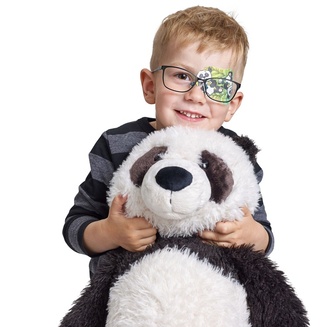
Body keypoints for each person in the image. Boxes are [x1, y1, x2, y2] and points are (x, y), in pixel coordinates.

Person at [63, 5, 274, 276]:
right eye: (182, 76)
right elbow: (75, 226)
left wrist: (250, 234)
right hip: (129, 301)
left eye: (217, 85)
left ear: (232, 105)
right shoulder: (116, 144)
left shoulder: (236, 155)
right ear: (150, 86)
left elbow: (264, 235)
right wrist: (110, 232)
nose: (197, 96)